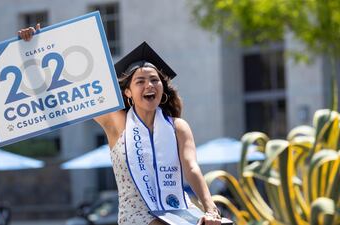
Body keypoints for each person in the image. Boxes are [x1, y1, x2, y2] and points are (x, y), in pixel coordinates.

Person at [19, 24, 221, 225]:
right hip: (136, 215)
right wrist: (35, 49)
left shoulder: (177, 127)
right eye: (140, 81)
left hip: (177, 209)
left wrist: (211, 209)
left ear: (162, 88)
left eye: (154, 80)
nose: (149, 85)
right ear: (128, 93)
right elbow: (65, 94)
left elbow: (191, 167)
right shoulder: (117, 122)